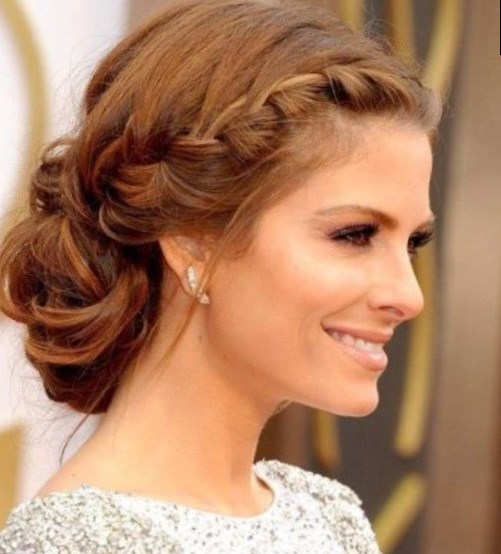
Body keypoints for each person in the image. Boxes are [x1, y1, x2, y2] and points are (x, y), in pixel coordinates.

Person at [0, 0, 440, 551]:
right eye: (354, 235)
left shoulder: (331, 517)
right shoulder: (77, 543)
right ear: (192, 240)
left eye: (413, 244)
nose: (408, 296)